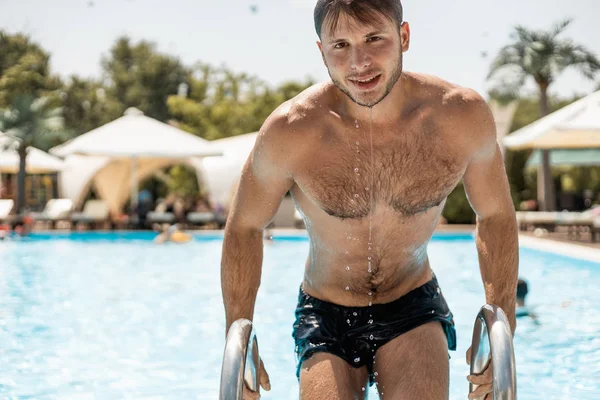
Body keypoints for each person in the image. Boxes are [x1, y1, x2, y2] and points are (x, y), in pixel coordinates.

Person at [221, 1, 518, 399]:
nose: (359, 62)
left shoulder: (459, 117)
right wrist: (237, 337)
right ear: (321, 51)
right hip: (325, 311)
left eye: (374, 39)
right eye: (340, 45)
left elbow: (496, 214)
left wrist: (503, 327)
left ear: (404, 37)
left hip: (412, 303)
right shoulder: (291, 131)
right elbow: (244, 226)